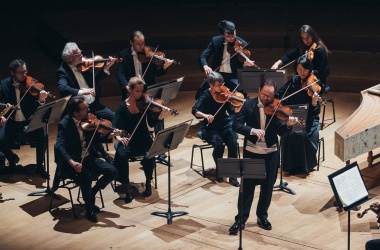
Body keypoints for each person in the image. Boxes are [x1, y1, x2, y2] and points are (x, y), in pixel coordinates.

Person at [229, 79, 297, 234]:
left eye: (270, 95)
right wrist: (252, 131)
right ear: (259, 89)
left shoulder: (277, 108)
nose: (267, 98)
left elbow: (281, 132)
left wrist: (288, 125)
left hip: (271, 153)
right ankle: (240, 220)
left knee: (267, 189)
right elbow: (237, 125)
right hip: (252, 153)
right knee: (246, 189)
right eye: (265, 94)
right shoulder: (248, 105)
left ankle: (262, 216)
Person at [54, 96, 121, 222]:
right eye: (85, 108)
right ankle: (89, 209)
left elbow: (96, 140)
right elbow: (59, 146)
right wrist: (72, 162)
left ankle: (93, 192)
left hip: (89, 158)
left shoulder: (87, 121)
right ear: (75, 113)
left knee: (113, 171)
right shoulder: (65, 124)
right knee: (86, 178)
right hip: (73, 162)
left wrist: (110, 135)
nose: (89, 110)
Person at [57, 42, 117, 164]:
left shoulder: (84, 66)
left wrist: (106, 68)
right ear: (70, 58)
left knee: (115, 117)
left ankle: (118, 143)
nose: (82, 55)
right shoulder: (62, 71)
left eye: (80, 52)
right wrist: (82, 92)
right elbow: (63, 88)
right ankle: (100, 152)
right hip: (80, 109)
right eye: (78, 54)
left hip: (94, 105)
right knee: (89, 128)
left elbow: (95, 80)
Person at [113, 77, 170, 203]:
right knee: (121, 156)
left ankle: (148, 182)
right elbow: (115, 127)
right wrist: (119, 138)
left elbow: (151, 122)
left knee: (149, 155)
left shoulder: (145, 104)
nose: (140, 94)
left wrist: (160, 117)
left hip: (144, 139)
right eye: (137, 91)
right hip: (129, 140)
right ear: (129, 90)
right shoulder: (122, 107)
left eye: (141, 91)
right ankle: (126, 185)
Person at [0, 59, 49, 178]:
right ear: (13, 73)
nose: (24, 75)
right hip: (11, 122)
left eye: (25, 71)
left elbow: (35, 107)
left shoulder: (32, 84)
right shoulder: (4, 84)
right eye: (20, 73)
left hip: (28, 121)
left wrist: (41, 101)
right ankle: (12, 158)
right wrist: (1, 115)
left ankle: (40, 167)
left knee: (43, 136)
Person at [192, 71, 242, 187]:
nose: (221, 87)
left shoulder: (225, 94)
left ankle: (233, 175)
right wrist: (205, 115)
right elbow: (194, 110)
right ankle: (220, 170)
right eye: (218, 85)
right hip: (211, 127)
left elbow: (231, 110)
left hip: (225, 124)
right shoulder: (205, 96)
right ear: (211, 85)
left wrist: (238, 108)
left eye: (222, 84)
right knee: (219, 145)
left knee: (233, 143)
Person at [274, 57, 321, 174]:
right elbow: (280, 93)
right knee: (288, 132)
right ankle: (290, 166)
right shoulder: (294, 80)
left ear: (309, 69)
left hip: (309, 118)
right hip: (292, 115)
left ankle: (304, 166)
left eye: (304, 69)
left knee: (301, 134)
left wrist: (314, 103)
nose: (302, 72)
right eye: (299, 69)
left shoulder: (314, 82)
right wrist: (277, 100)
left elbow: (316, 112)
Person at [196, 20, 255, 99]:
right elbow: (203, 57)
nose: (232, 38)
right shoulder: (216, 41)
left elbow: (243, 63)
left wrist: (246, 64)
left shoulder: (242, 44)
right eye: (228, 36)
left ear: (235, 31)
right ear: (223, 35)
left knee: (239, 97)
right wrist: (205, 66)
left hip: (234, 76)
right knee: (200, 94)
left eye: (233, 34)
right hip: (217, 75)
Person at [271, 24, 330, 94]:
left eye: (308, 37)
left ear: (313, 36)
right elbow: (290, 55)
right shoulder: (304, 47)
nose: (306, 41)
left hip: (316, 81)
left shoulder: (320, 50)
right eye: (303, 38)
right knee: (286, 88)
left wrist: (306, 72)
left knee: (292, 90)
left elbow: (322, 72)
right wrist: (277, 63)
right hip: (303, 78)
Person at [116, 30, 173, 101]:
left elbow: (157, 72)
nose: (142, 46)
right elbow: (120, 73)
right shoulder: (124, 54)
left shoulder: (150, 51)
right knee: (128, 107)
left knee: (157, 107)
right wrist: (127, 86)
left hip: (148, 87)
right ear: (131, 42)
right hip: (132, 88)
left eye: (143, 43)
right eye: (138, 44)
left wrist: (164, 67)